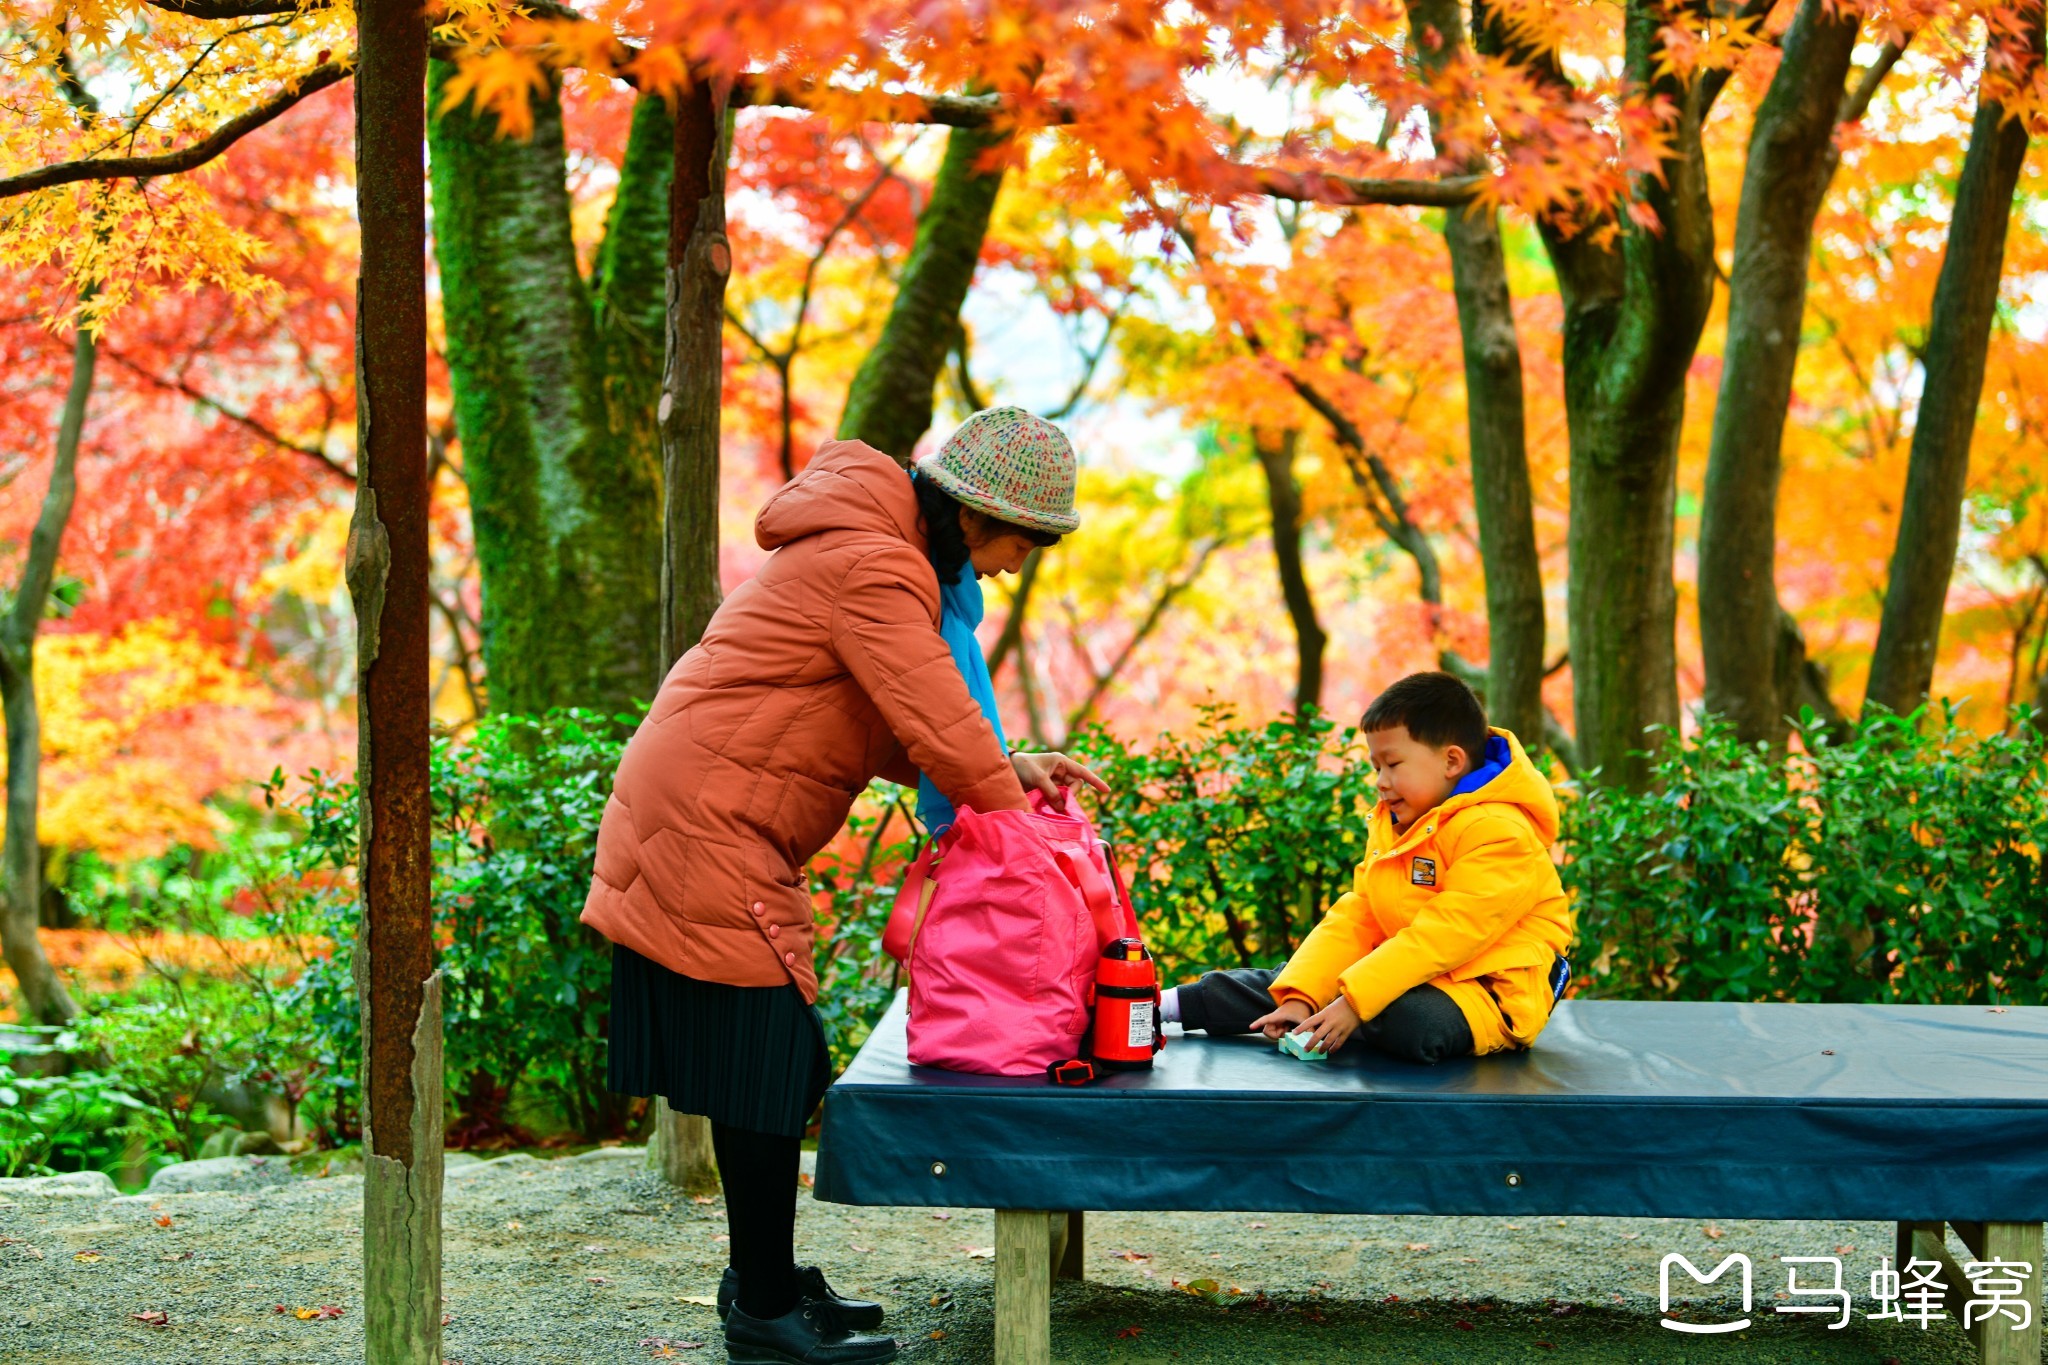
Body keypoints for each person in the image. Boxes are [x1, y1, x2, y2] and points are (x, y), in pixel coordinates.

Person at [581, 408, 1108, 1365]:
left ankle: (763, 1283)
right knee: (771, 1065)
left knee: (766, 1067)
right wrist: (1019, 830)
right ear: (969, 515)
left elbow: (885, 722)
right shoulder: (878, 565)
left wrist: (1011, 764)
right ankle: (765, 1312)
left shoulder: (875, 552)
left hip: (708, 809)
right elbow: (938, 714)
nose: (1012, 567)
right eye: (1017, 544)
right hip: (709, 824)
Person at [1161, 671, 1574, 1063]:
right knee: (1295, 980)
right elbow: (1359, 915)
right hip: (1405, 968)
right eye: (1376, 767)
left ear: (1452, 761)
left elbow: (1447, 935)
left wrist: (1353, 1002)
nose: (1380, 781)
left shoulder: (1499, 831)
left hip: (1484, 990)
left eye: (1393, 765)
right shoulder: (1398, 822)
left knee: (1410, 1020)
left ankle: (1337, 1014)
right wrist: (1303, 997)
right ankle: (1166, 1003)